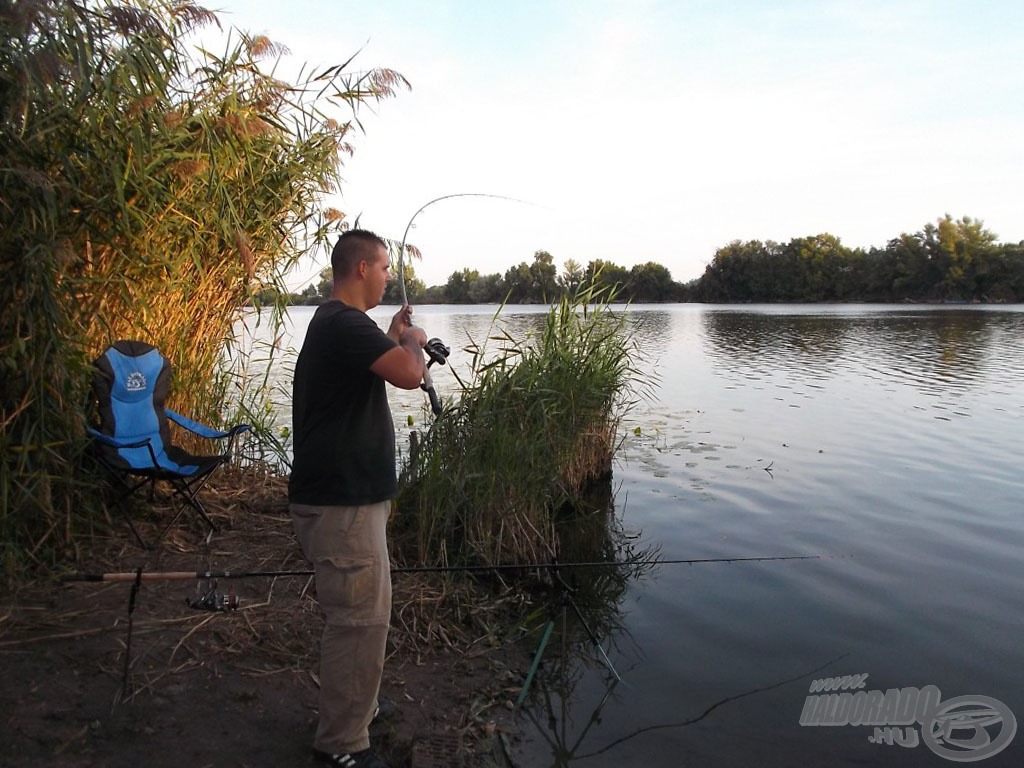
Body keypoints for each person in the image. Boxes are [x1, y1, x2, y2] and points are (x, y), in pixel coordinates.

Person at [289, 229, 426, 768]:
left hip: (351, 504)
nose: (389, 276)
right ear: (363, 268)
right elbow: (411, 375)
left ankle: (358, 709)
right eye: (385, 267)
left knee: (369, 616)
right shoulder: (342, 323)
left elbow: (383, 364)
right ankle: (341, 747)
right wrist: (412, 337)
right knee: (356, 623)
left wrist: (392, 334)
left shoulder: (342, 326)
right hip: (342, 508)